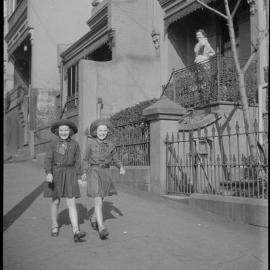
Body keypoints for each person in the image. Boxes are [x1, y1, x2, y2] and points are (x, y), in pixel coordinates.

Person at [81, 118, 125, 240]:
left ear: (107, 132)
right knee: (98, 200)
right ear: (95, 131)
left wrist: (120, 167)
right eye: (100, 130)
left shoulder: (110, 144)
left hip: (106, 172)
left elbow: (115, 158)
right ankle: (101, 228)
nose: (102, 133)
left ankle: (94, 218)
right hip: (94, 171)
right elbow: (85, 159)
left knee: (102, 196)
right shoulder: (90, 143)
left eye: (104, 130)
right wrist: (84, 172)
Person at [43, 119, 86, 242]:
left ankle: (76, 230)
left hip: (70, 173)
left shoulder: (75, 144)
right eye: (61, 130)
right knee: (56, 201)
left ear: (71, 131)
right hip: (56, 173)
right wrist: (49, 172)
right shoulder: (53, 144)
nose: (63, 132)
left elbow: (78, 161)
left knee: (71, 202)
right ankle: (55, 225)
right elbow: (47, 159)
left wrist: (80, 175)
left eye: (66, 130)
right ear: (57, 131)